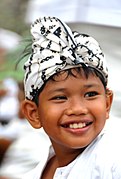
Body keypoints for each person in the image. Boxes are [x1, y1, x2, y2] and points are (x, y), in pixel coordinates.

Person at [21, 16, 121, 179]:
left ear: (107, 103)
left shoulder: (112, 159)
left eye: (90, 94)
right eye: (60, 97)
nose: (78, 109)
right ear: (33, 113)